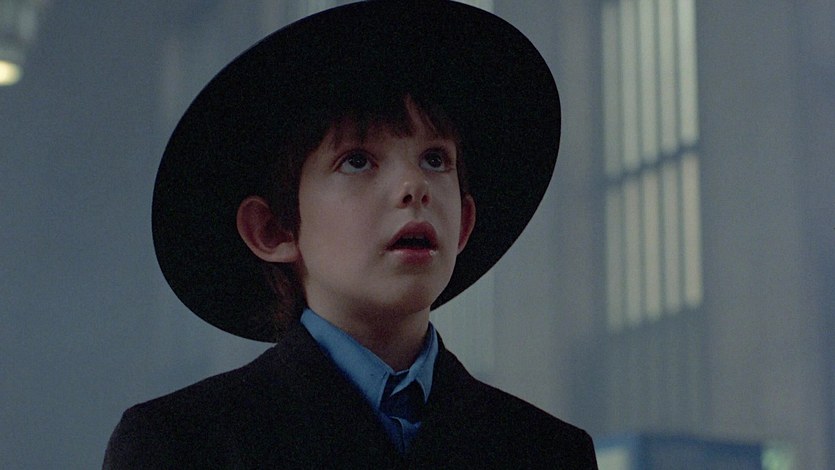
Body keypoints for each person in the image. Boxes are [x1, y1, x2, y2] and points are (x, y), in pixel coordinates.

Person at [104, 1, 598, 468]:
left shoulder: (549, 453)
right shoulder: (182, 446)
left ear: (464, 224)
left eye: (435, 159)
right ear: (274, 229)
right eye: (357, 161)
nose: (414, 187)